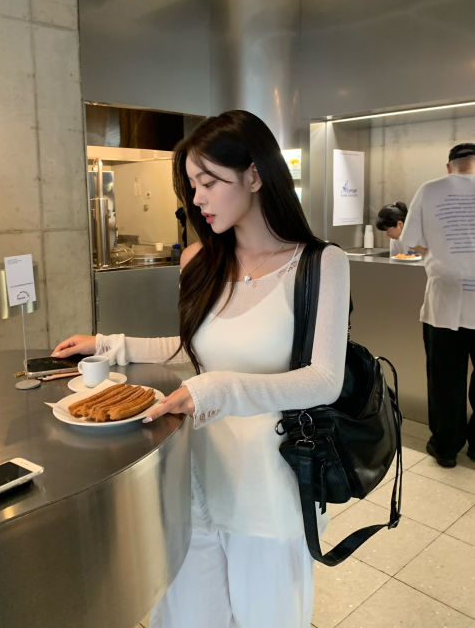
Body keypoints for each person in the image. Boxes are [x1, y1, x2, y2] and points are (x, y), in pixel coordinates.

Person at [52, 110, 350, 628]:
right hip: (191, 476)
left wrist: (217, 390)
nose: (198, 199)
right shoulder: (198, 259)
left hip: (269, 483)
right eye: (192, 186)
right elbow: (196, 351)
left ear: (254, 175)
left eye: (209, 182)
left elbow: (324, 380)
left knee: (267, 617)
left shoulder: (320, 263)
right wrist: (107, 344)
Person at [401, 142, 475, 469]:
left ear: (449, 166)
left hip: (444, 303)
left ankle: (446, 448)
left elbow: (411, 240)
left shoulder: (430, 189)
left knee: (445, 380)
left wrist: (437, 254)